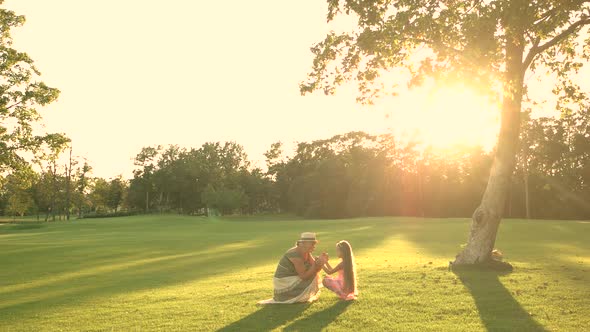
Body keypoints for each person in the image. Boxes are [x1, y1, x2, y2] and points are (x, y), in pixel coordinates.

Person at [258, 232, 327, 304]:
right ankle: (293, 296)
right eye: (312, 244)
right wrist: (317, 264)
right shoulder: (294, 254)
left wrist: (321, 262)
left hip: (293, 278)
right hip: (284, 282)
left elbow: (316, 270)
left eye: (314, 244)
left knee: (313, 273)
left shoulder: (306, 252)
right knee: (312, 274)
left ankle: (299, 296)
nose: (314, 246)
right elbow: (304, 276)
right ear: (303, 243)